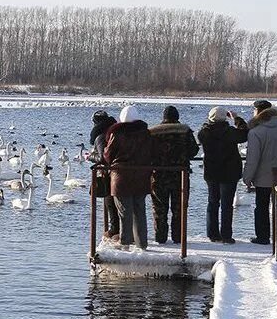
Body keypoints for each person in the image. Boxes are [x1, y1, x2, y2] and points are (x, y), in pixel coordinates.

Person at [242, 99, 277, 245]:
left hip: (262, 176)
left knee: (262, 208)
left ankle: (263, 237)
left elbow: (253, 158)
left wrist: (247, 178)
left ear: (257, 112)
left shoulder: (255, 132)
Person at [104, 105, 155, 250]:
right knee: (139, 210)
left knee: (124, 211)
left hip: (121, 177)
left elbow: (108, 155)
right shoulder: (145, 134)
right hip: (141, 176)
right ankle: (142, 244)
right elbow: (152, 151)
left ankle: (125, 243)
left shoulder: (117, 133)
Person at [148, 105, 199, 244]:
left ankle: (160, 237)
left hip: (158, 176)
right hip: (180, 176)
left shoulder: (153, 132)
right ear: (177, 117)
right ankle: (178, 238)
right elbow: (194, 150)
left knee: (159, 208)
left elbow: (148, 152)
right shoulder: (185, 131)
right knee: (180, 208)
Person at [197, 107, 248, 244]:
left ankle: (212, 234)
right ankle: (226, 235)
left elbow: (201, 134)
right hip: (229, 173)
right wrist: (236, 118)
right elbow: (245, 133)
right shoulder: (230, 132)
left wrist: (208, 122)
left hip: (212, 173)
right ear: (225, 118)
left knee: (212, 203)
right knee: (227, 205)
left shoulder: (204, 133)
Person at [87, 110, 120, 238]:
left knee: (109, 200)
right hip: (118, 170)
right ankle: (120, 230)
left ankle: (114, 229)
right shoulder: (114, 131)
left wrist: (90, 156)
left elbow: (101, 157)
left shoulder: (100, 136)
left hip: (109, 172)